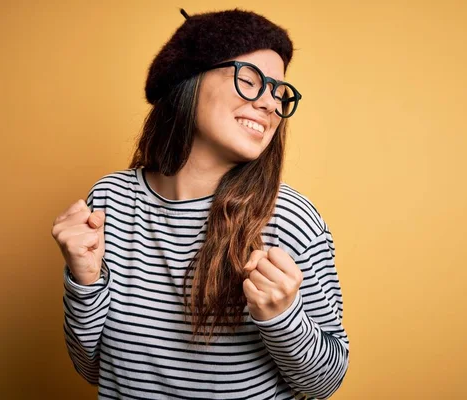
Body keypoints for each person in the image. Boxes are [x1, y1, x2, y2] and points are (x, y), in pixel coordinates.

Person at [51, 7, 349, 399]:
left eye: (280, 92)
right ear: (187, 81)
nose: (271, 105)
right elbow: (92, 369)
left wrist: (282, 317)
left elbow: (324, 384)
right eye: (251, 80)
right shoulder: (111, 201)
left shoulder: (290, 219)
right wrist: (84, 282)